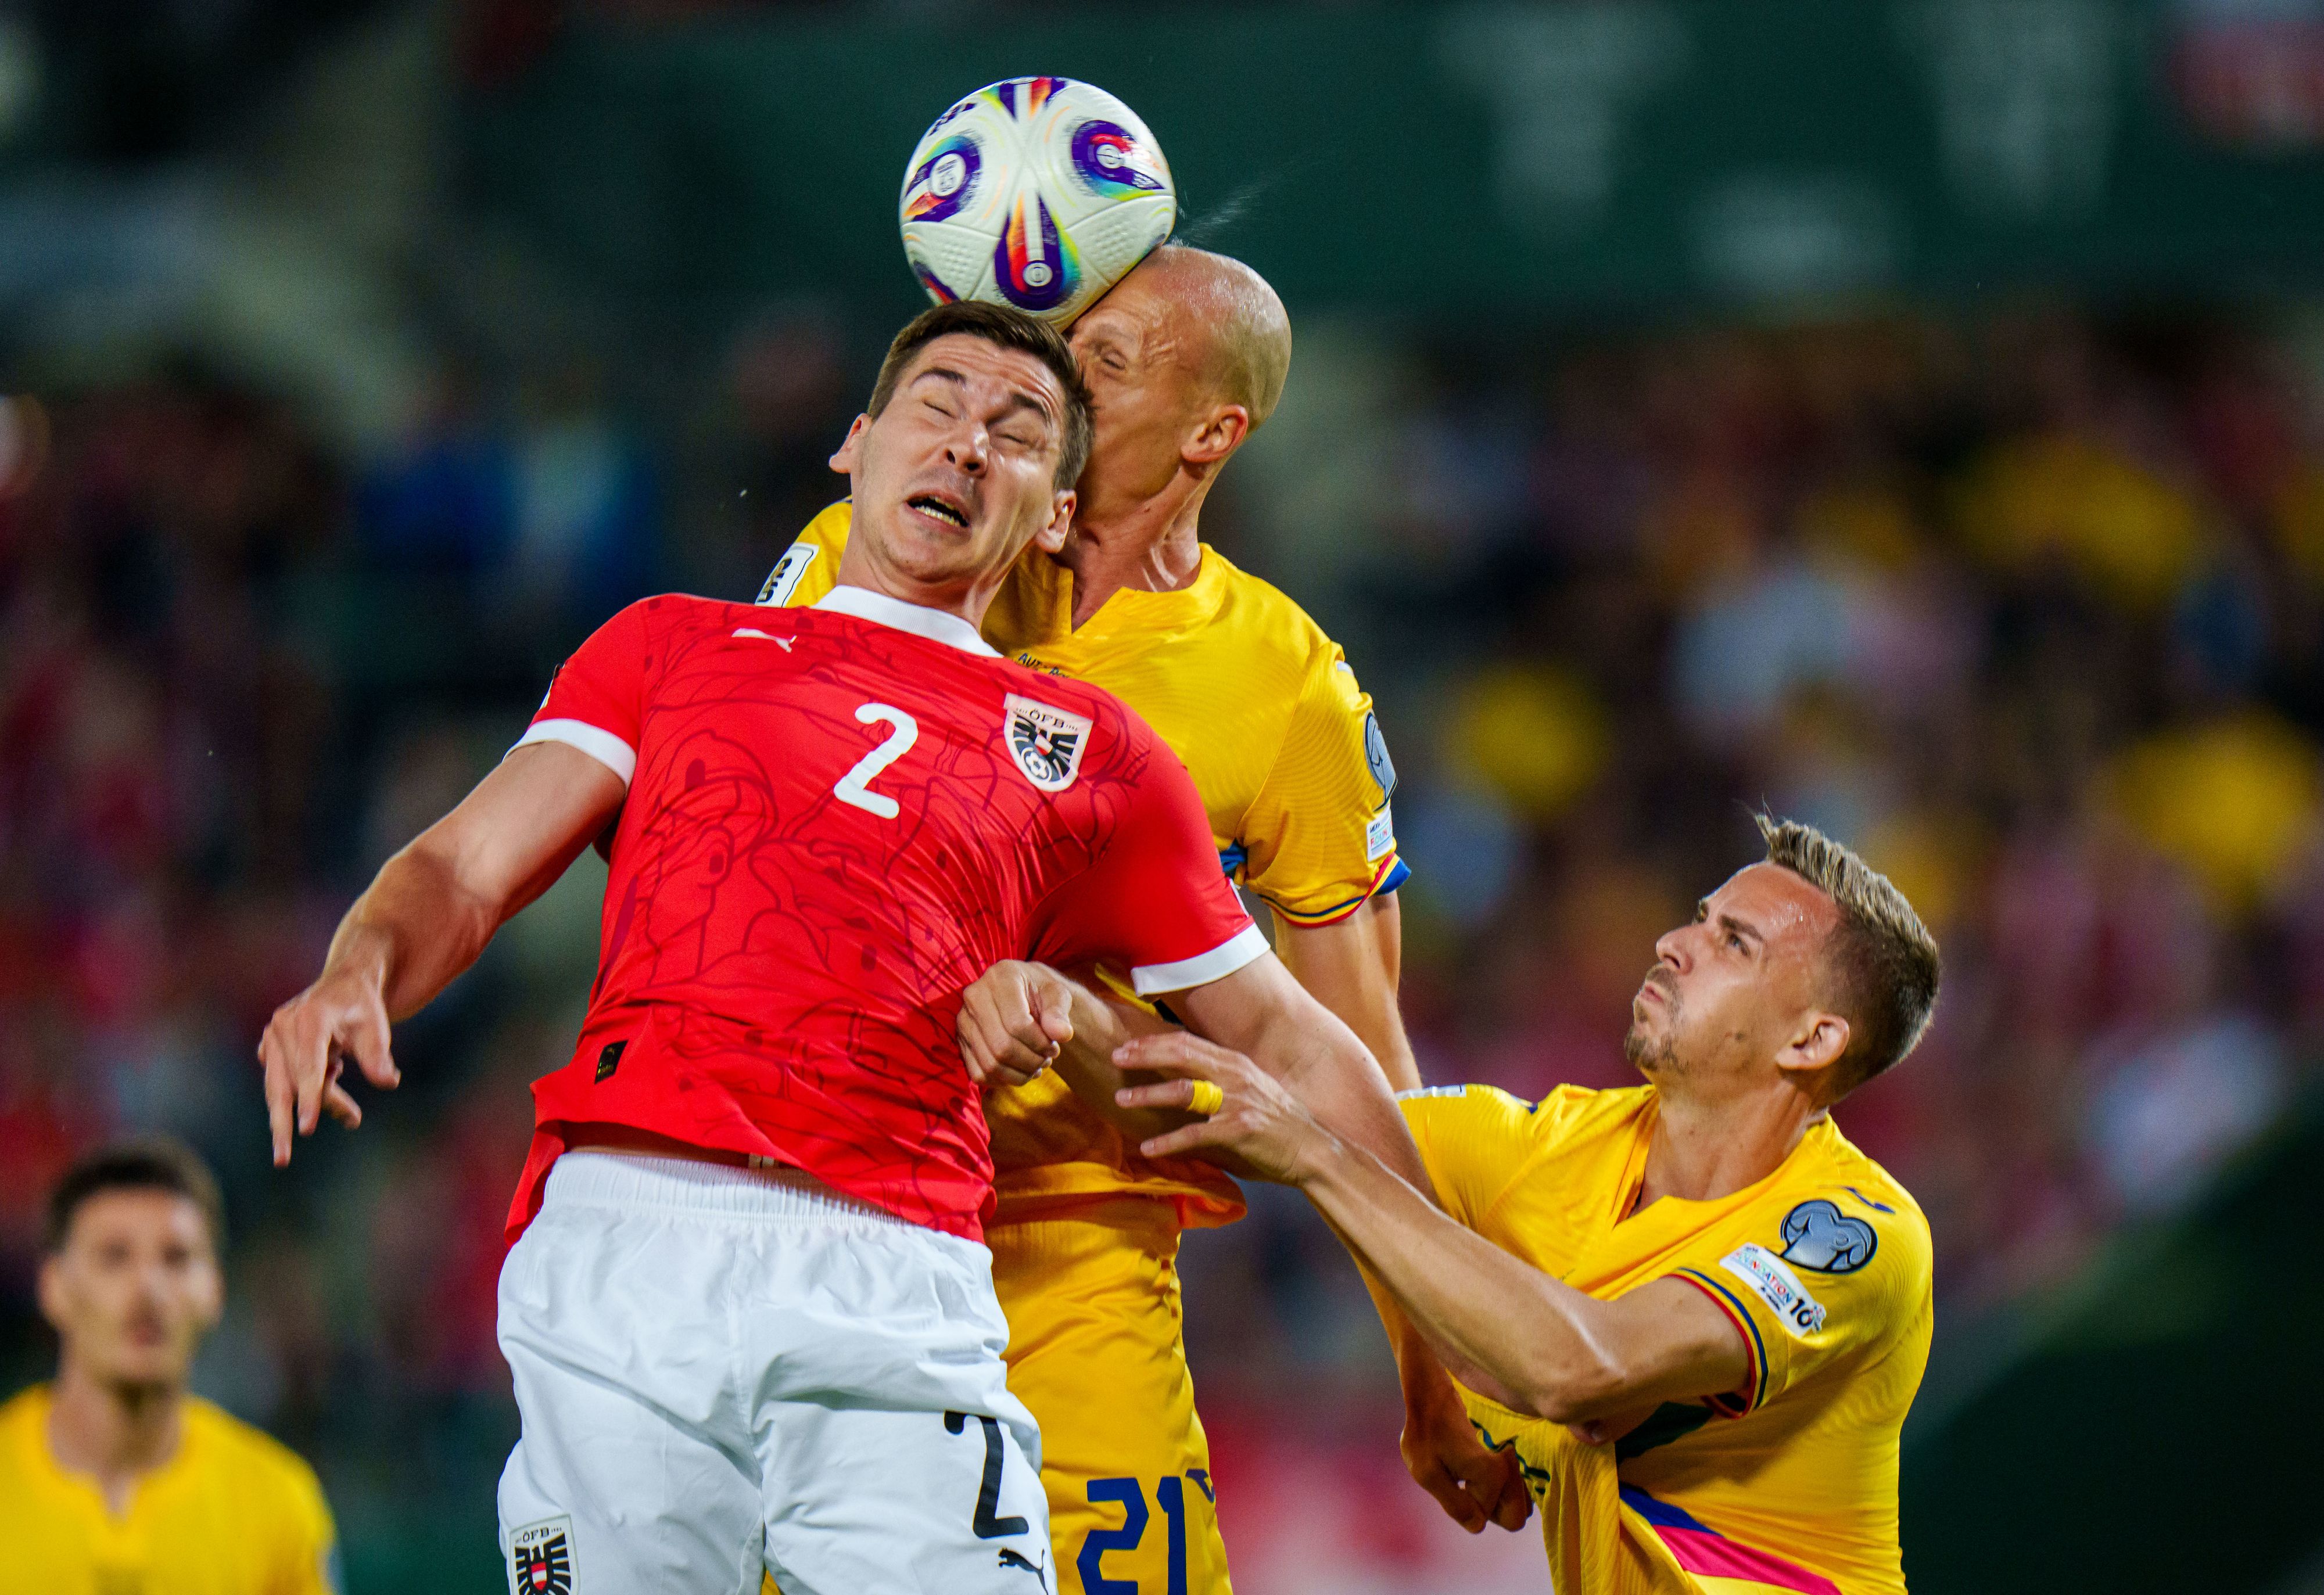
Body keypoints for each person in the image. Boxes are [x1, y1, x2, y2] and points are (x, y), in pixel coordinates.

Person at [256, 299, 1423, 1595]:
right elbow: (464, 866)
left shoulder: (1095, 755)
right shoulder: (668, 646)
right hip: (631, 1236)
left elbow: (1283, 1036)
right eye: (936, 405)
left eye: (1018, 429)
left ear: (1050, 510)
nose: (967, 445)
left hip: (900, 1259)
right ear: (853, 449)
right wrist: (355, 969)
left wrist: (1437, 1273)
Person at [762, 244, 1523, 1593]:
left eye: (1106, 364)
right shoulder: (870, 551)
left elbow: (1351, 1051)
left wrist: (1427, 1359)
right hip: (833, 1214)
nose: (1055, 380)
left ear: (1212, 433)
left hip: (1082, 1241)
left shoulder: (1287, 688)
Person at [963, 816, 1941, 1595]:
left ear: (1813, 1039)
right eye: (1697, 915)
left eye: (1734, 942)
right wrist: (1053, 1006)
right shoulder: (1537, 1149)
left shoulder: (1857, 1236)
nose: (1675, 941)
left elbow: (1581, 1370)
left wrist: (1318, 1156)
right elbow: (1240, 1096)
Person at [0, 1138, 339, 1595]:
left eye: (176, 1259)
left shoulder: (276, 1504)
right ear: (54, 1287)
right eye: (114, 1257)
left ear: (215, 1289)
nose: (149, 1289)